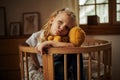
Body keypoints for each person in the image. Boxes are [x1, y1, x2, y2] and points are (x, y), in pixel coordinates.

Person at [26, 8, 84, 80]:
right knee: (58, 66)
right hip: (47, 64)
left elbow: (74, 46)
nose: (62, 28)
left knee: (77, 53)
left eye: (67, 27)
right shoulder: (36, 36)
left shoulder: (64, 39)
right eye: (60, 22)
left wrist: (51, 43)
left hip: (61, 62)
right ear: (52, 20)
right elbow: (32, 54)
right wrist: (38, 67)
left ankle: (79, 78)